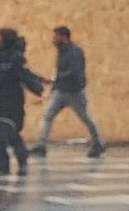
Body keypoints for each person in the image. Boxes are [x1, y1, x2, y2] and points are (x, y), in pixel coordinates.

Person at [29, 26, 105, 159]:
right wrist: (54, 88)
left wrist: (55, 80)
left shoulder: (75, 52)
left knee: (86, 118)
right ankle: (41, 145)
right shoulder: (62, 51)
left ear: (63, 37)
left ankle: (98, 143)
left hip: (75, 92)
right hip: (61, 91)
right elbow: (61, 72)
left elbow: (74, 72)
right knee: (48, 115)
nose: (53, 40)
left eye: (56, 36)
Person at [0, 28, 44, 176]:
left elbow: (24, 75)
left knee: (9, 132)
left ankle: (18, 161)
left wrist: (38, 88)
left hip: (12, 102)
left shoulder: (15, 59)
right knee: (0, 134)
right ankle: (5, 164)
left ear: (5, 40)